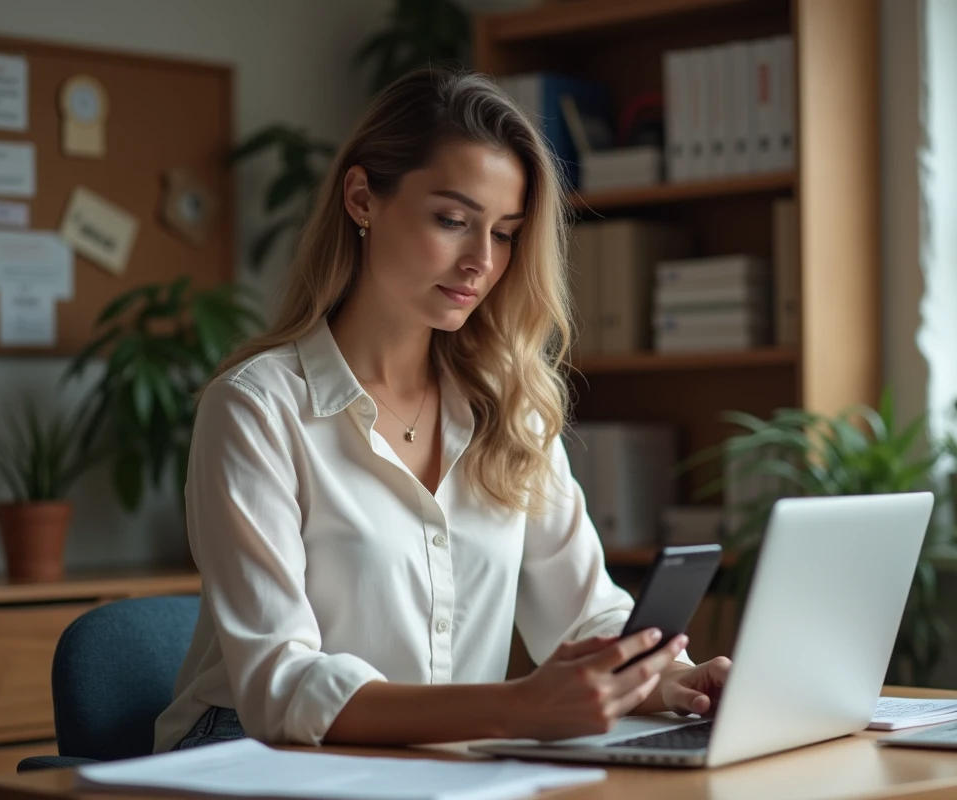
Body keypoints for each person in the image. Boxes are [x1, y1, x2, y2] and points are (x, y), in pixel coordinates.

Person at [153, 65, 731, 753]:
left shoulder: (508, 407)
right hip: (248, 754)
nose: (480, 263)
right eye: (453, 220)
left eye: (506, 232)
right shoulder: (256, 409)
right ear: (363, 199)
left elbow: (582, 617)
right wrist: (515, 708)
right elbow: (281, 686)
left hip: (433, 761)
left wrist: (674, 679)